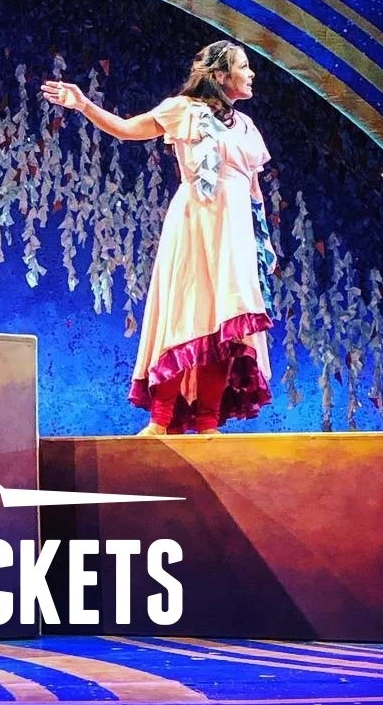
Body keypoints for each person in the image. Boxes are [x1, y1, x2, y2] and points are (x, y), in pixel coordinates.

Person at [42, 41, 275, 436]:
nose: (251, 74)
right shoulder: (183, 109)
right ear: (220, 76)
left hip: (235, 236)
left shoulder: (248, 128)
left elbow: (254, 191)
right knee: (185, 313)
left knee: (227, 322)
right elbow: (129, 130)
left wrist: (262, 245)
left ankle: (207, 422)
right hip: (195, 224)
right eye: (244, 66)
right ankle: (162, 420)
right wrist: (84, 105)